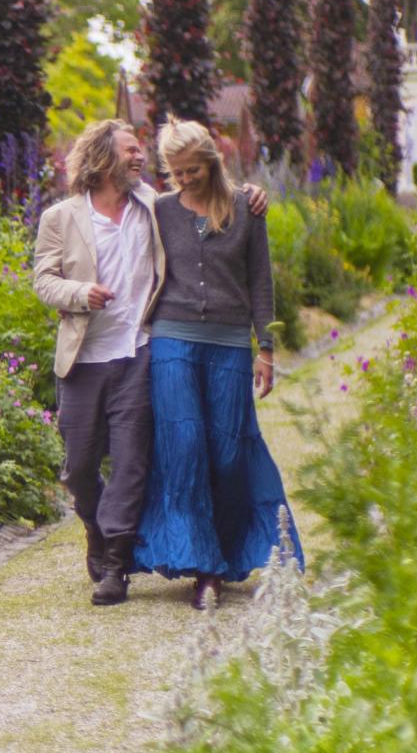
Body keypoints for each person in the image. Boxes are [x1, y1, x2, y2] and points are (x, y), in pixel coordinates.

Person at [31, 120, 267, 606]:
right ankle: (98, 530)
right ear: (102, 157)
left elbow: (205, 194)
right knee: (78, 468)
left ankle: (116, 564)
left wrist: (251, 192)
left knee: (132, 464)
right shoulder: (61, 217)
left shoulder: (151, 205)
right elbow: (44, 281)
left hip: (140, 351)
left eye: (143, 151)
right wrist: (80, 293)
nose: (142, 158)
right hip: (83, 359)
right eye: (132, 150)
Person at [133, 120, 303, 608]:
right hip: (172, 340)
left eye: (192, 170)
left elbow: (261, 282)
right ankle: (203, 569)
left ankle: (231, 555)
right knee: (185, 448)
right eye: (175, 172)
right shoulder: (160, 210)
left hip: (229, 341)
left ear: (212, 161)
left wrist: (265, 349)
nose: (184, 179)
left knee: (228, 453)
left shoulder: (248, 209)